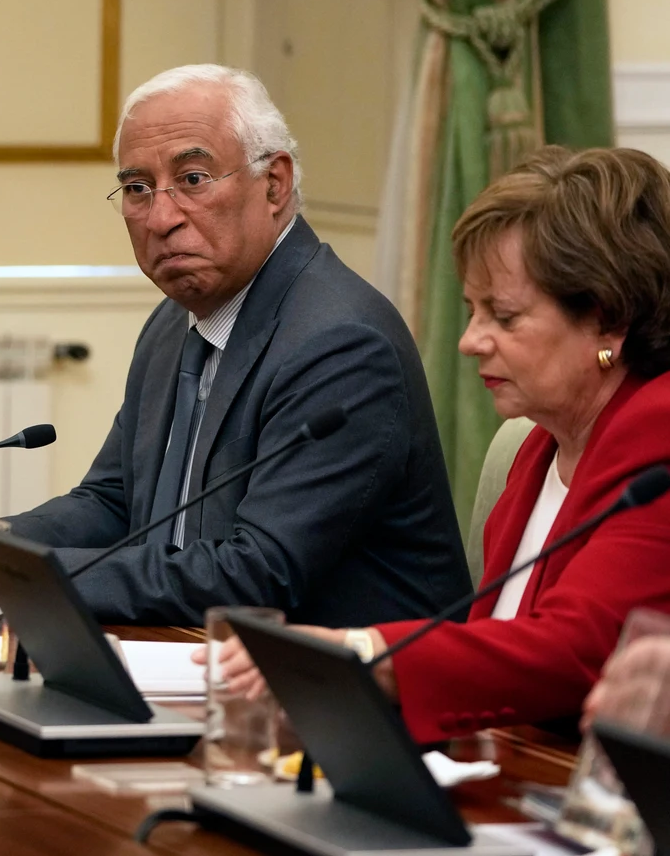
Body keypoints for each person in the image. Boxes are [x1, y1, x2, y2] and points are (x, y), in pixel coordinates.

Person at [0, 65, 470, 626]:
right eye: (137, 189)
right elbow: (114, 503)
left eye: (192, 179)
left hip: (336, 703)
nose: (161, 216)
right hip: (187, 652)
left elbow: (258, 574)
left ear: (275, 184)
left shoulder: (341, 345)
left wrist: (22, 573)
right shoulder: (175, 323)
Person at [205, 147, 670, 742]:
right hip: (503, 771)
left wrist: (365, 650)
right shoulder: (540, 446)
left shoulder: (655, 434)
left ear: (607, 320)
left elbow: (573, 650)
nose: (470, 341)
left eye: (503, 316)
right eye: (472, 311)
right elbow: (495, 642)